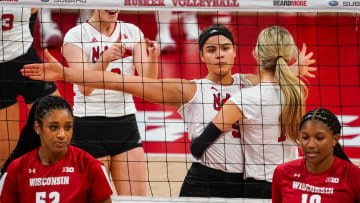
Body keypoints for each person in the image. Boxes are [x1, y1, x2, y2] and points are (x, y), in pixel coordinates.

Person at [22, 24, 316, 197]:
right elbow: (123, 82)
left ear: (236, 52)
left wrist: (294, 68)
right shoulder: (189, 89)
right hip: (205, 181)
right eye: (211, 49)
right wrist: (68, 74)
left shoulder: (251, 84)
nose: (219, 54)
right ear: (201, 56)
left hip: (245, 184)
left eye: (225, 47)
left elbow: (279, 79)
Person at [190, 26, 308, 198]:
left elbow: (198, 147)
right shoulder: (296, 92)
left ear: (257, 54)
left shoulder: (245, 99)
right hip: (292, 184)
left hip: (260, 187)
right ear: (288, 56)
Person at [61, 9, 159, 196]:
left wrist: (153, 57)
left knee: (136, 201)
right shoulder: (75, 36)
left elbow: (149, 82)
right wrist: (105, 58)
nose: (112, 7)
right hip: (89, 126)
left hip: (125, 123)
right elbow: (85, 87)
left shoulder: (131, 31)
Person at [0, 95, 113, 203]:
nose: (62, 135)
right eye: (54, 127)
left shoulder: (90, 167)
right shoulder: (16, 169)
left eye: (67, 127)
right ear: (37, 128)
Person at [0, 7, 60, 168]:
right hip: (1, 77)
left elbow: (32, 14)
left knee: (59, 119)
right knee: (5, 156)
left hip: (26, 61)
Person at [272, 108, 360, 202]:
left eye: (319, 138)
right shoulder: (282, 172)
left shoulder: (353, 176)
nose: (311, 145)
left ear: (335, 139)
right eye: (305, 137)